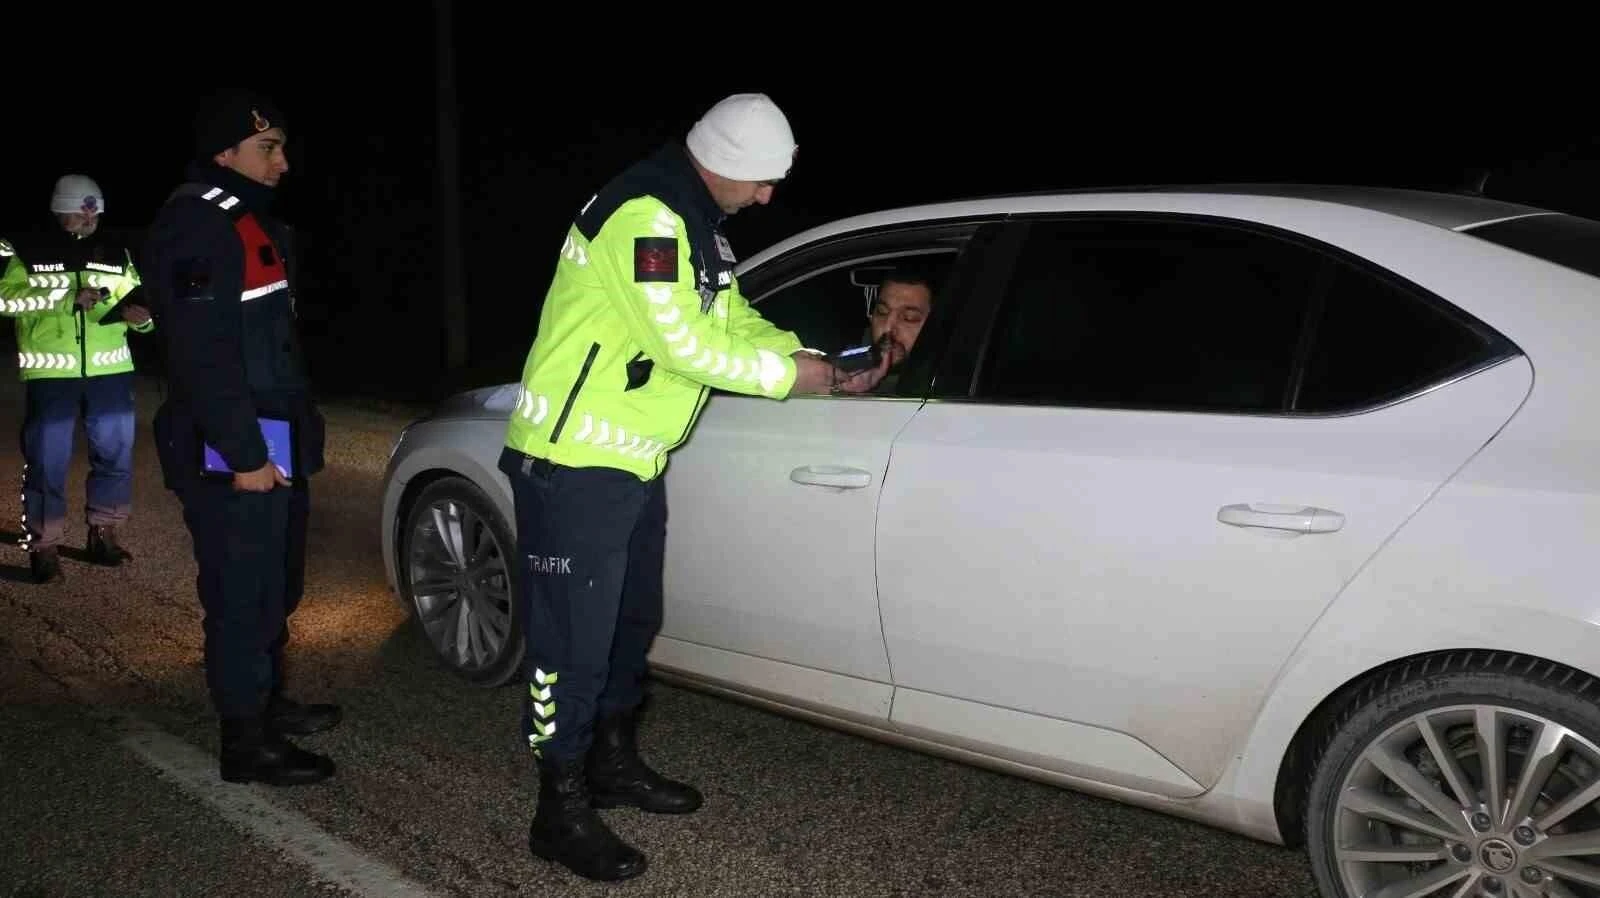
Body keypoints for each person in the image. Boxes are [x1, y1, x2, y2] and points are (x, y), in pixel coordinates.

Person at [499, 92, 888, 881]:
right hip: (572, 462)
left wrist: (812, 360)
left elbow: (731, 318)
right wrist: (791, 378)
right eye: (763, 181)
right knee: (569, 644)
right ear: (726, 163)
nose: (769, 197)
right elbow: (680, 342)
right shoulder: (644, 213)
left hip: (632, 457)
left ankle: (612, 760)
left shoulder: (694, 223)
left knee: (629, 622)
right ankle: (558, 803)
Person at [142, 88, 339, 787]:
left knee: (275, 583)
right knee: (241, 590)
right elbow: (202, 354)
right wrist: (245, 454)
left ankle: (267, 701)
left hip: (271, 437)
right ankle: (244, 740)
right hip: (234, 445)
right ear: (225, 152)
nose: (283, 162)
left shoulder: (249, 222)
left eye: (282, 147)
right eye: (269, 148)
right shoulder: (199, 224)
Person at [0, 174, 154, 583]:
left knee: (115, 456)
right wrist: (65, 300)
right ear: (59, 210)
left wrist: (142, 319)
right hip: (52, 373)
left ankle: (104, 531)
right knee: (47, 459)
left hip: (112, 371)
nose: (89, 222)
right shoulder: (23, 248)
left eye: (94, 215)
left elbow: (139, 300)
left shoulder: (117, 251)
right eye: (80, 215)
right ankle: (43, 545)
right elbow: (4, 298)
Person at [862, 265, 934, 394]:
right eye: (882, 312)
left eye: (909, 318)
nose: (888, 328)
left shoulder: (941, 389)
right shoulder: (844, 373)